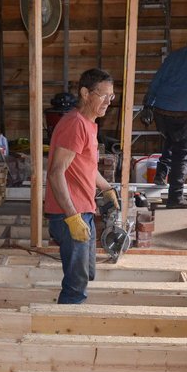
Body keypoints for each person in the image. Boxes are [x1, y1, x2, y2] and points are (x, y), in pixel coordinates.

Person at [44, 68, 120, 304]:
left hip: (83, 211)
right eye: (103, 95)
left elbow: (87, 167)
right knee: (75, 286)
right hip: (69, 215)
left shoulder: (89, 124)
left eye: (112, 96)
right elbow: (56, 173)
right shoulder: (75, 125)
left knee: (87, 272)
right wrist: (72, 217)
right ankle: (66, 323)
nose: (109, 101)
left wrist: (107, 189)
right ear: (86, 93)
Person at [139, 30, 187, 209]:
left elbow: (157, 81)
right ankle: (175, 197)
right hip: (181, 114)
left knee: (171, 139)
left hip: (160, 112)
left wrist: (147, 105)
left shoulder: (173, 57)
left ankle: (161, 175)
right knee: (182, 154)